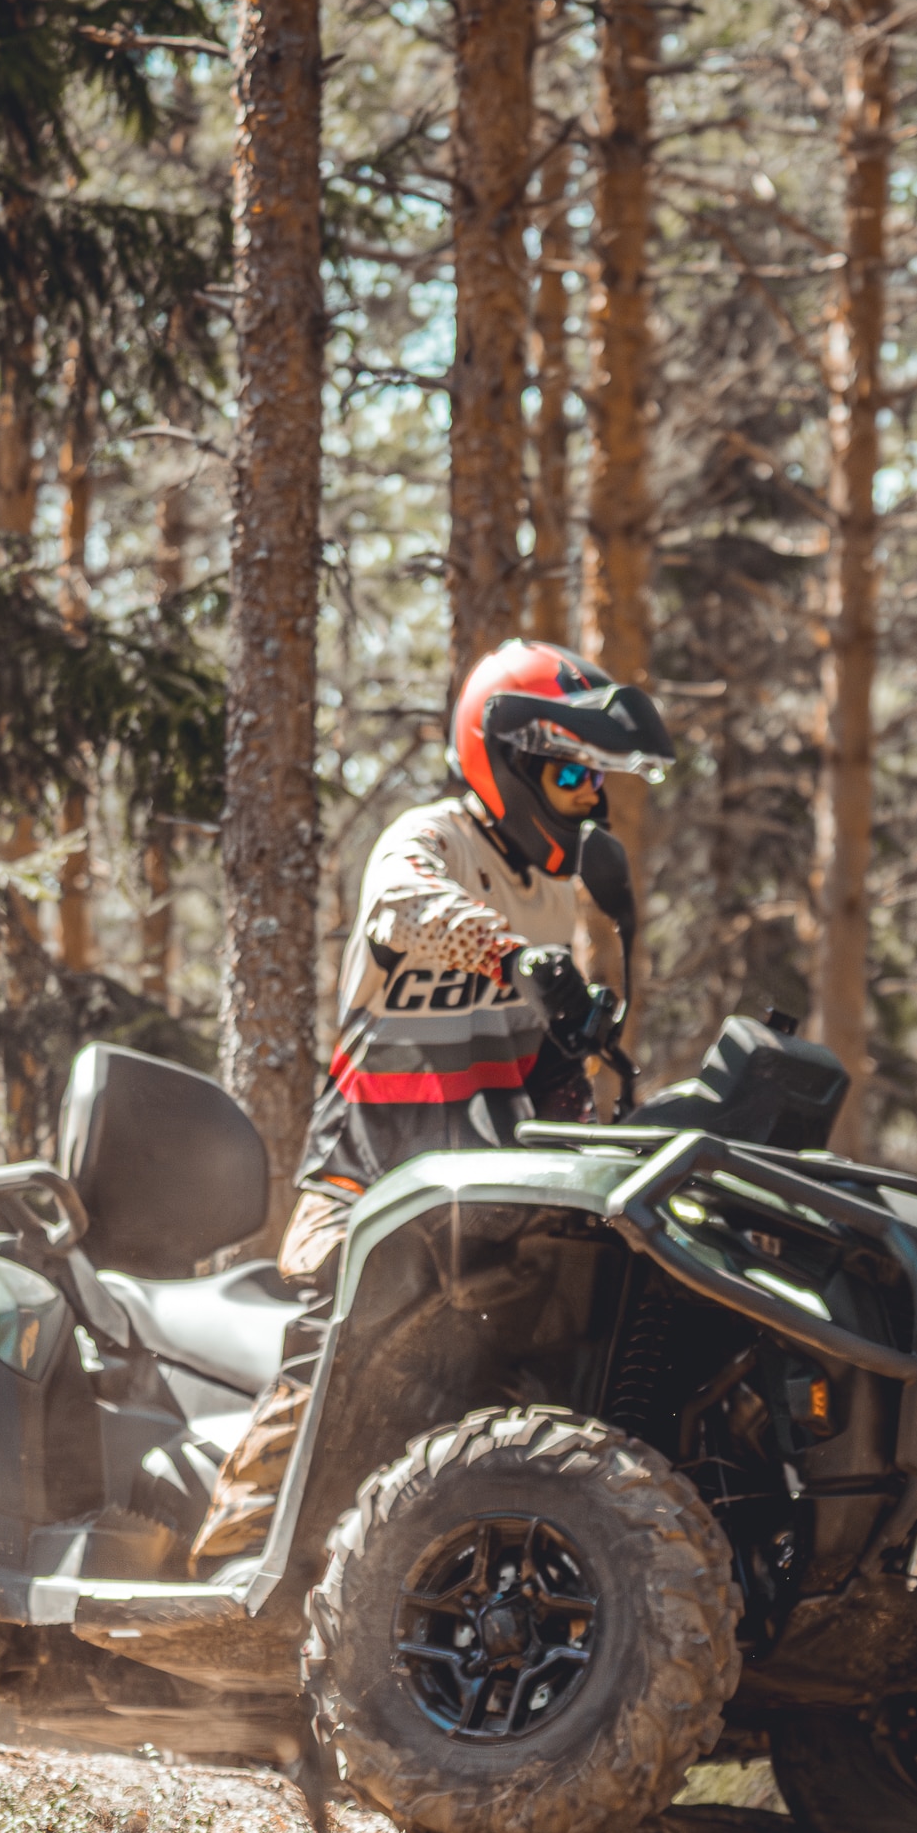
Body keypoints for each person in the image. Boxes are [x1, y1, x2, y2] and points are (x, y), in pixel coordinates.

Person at [185, 639, 671, 1577]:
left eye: (599, 782)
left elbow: (519, 1059)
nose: (595, 803)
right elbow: (404, 908)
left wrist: (575, 1050)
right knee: (337, 1333)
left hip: (473, 1191)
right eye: (576, 777)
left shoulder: (554, 889)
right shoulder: (431, 837)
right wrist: (512, 957)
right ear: (514, 765)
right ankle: (233, 1558)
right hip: (365, 1176)